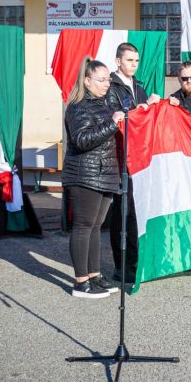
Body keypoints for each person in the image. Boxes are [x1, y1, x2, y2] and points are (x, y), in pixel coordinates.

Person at [62, 57, 123, 298]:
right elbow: (82, 140)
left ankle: (94, 275)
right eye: (101, 80)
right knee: (83, 226)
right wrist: (112, 123)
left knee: (96, 227)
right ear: (87, 81)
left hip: (105, 173)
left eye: (108, 79)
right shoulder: (79, 107)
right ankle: (80, 282)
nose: (107, 83)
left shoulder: (105, 102)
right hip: (84, 174)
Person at [106, 43, 160, 284]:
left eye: (136, 61)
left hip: (138, 158)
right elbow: (119, 118)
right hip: (119, 158)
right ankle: (121, 265)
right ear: (118, 62)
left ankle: (135, 261)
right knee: (122, 214)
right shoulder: (110, 87)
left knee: (136, 214)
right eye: (129, 61)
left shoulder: (137, 86)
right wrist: (145, 106)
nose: (134, 65)